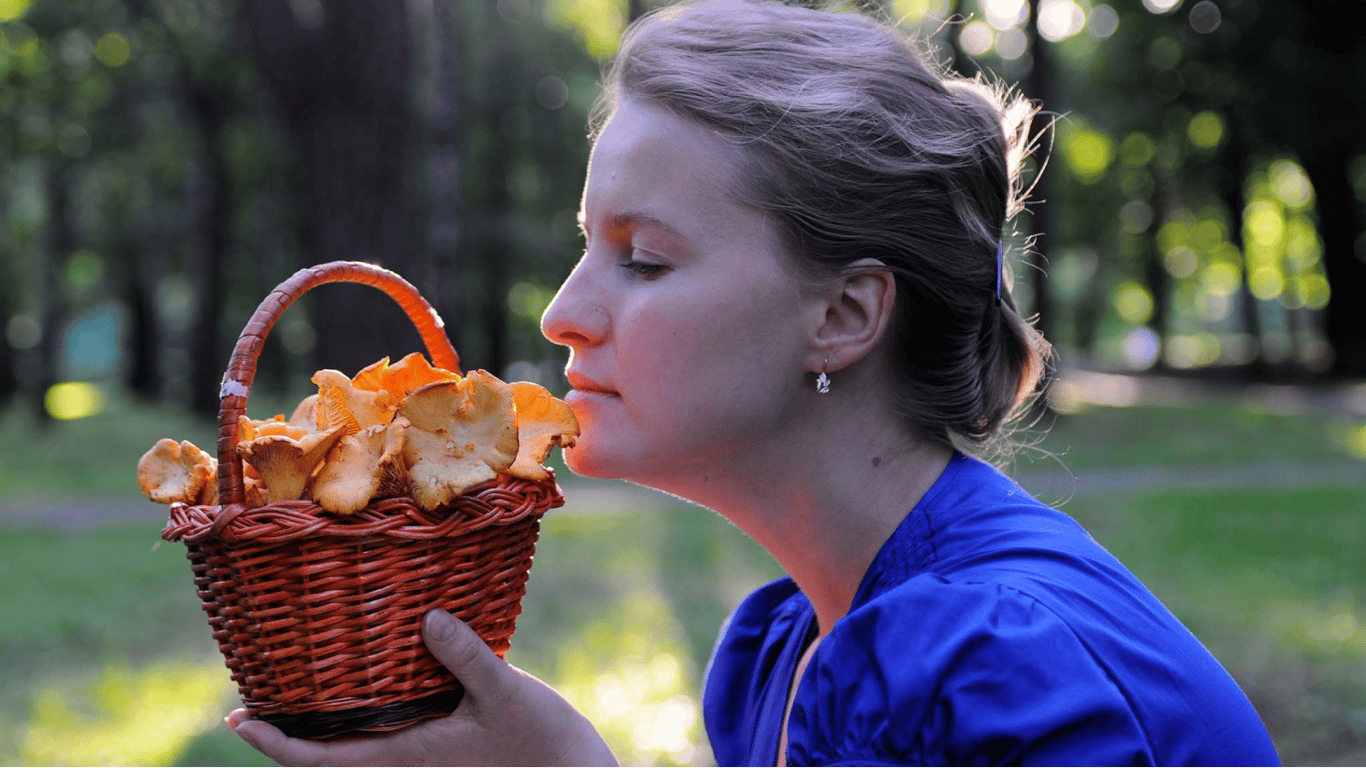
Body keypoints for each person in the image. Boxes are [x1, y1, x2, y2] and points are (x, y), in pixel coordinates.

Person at [226, 1, 1281, 764]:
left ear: (841, 316)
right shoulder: (785, 650)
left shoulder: (1004, 672)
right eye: (587, 245)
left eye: (643, 257)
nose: (561, 313)